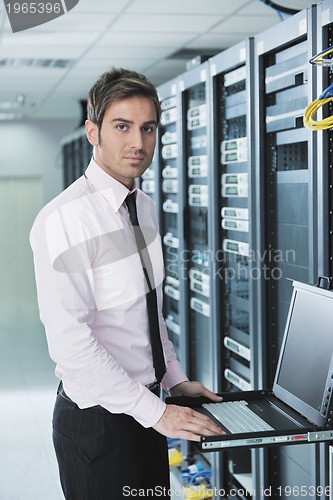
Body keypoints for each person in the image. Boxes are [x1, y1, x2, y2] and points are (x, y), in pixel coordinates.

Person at [30, 67, 223, 500]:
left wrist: (173, 379)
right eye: (122, 126)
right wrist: (155, 412)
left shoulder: (145, 208)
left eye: (148, 128)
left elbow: (147, 311)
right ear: (92, 131)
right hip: (100, 423)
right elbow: (70, 343)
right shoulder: (66, 219)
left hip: (148, 410)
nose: (138, 142)